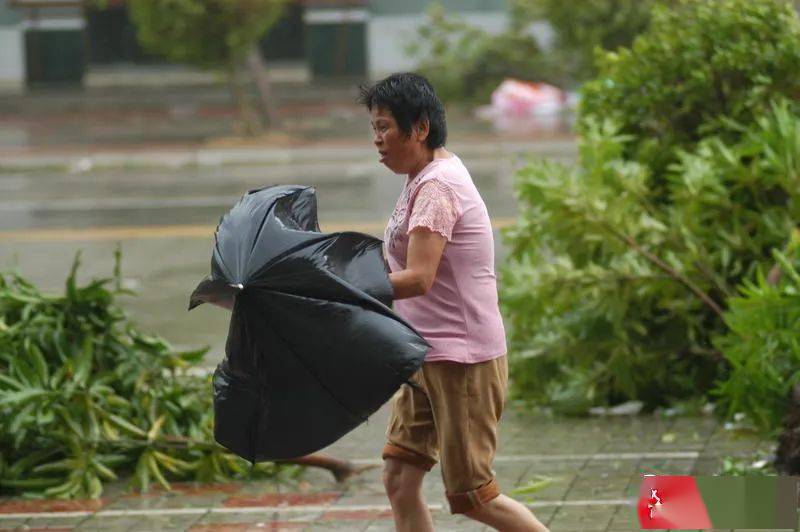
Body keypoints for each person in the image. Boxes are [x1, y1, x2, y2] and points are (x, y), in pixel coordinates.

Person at [358, 73, 549, 532]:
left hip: (461, 359)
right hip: (423, 354)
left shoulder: (438, 186)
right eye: (374, 129)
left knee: (473, 495)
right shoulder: (420, 177)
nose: (378, 140)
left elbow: (419, 278)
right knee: (399, 477)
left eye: (385, 127)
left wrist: (348, 290)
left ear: (419, 128)